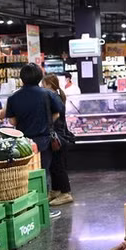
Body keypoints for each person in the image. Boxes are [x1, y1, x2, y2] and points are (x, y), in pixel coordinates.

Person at [6, 63, 66, 219]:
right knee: (43, 174)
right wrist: (47, 123)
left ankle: (27, 209)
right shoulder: (47, 94)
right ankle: (44, 210)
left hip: (22, 143)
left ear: (22, 78)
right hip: (44, 140)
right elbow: (58, 113)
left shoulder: (13, 96)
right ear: (40, 76)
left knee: (25, 175)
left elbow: (12, 122)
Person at [41, 74, 74, 206]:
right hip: (59, 135)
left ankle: (66, 193)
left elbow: (55, 116)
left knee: (59, 166)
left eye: (43, 85)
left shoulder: (52, 97)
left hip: (57, 137)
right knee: (55, 164)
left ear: (49, 85)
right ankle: (55, 190)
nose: (41, 87)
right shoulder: (57, 96)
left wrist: (45, 125)